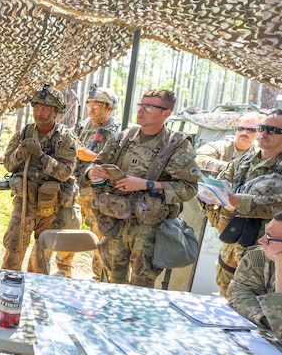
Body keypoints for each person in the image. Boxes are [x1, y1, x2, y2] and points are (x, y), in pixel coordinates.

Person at [87, 89, 199, 288]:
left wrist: (147, 184)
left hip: (149, 231)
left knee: (141, 287)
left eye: (149, 107)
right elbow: (94, 166)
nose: (141, 111)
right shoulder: (123, 138)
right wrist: (92, 173)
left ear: (166, 113)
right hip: (115, 222)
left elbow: (188, 189)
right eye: (141, 105)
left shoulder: (177, 144)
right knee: (112, 282)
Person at [0, 84, 77, 272]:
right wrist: (20, 153)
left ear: (55, 111)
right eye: (36, 108)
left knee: (41, 257)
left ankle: (35, 294)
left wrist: (42, 156)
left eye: (44, 108)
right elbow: (8, 164)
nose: (39, 113)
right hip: (24, 203)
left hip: (49, 207)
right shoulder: (24, 133)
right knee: (13, 252)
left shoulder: (65, 138)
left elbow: (65, 172)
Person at [209, 110, 282, 297]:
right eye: (262, 128)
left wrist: (244, 203)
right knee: (226, 297)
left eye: (272, 130)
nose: (264, 134)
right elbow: (220, 183)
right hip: (232, 243)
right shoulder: (243, 162)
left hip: (264, 252)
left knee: (254, 307)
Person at [57, 85, 120, 279]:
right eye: (89, 104)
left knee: (100, 233)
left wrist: (89, 156)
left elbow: (115, 163)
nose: (91, 109)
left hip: (99, 192)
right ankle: (63, 268)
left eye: (97, 105)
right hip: (76, 187)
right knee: (69, 226)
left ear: (109, 108)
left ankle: (98, 276)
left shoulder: (117, 132)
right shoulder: (82, 126)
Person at [228, 210, 282, 338]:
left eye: (269, 238)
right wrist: (262, 317)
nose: (261, 241)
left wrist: (280, 264)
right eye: (265, 232)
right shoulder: (259, 256)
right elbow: (239, 290)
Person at [195, 111, 263, 175]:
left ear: (259, 133)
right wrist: (230, 168)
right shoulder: (221, 147)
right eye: (241, 129)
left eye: (251, 130)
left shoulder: (261, 152)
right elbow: (197, 158)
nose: (244, 133)